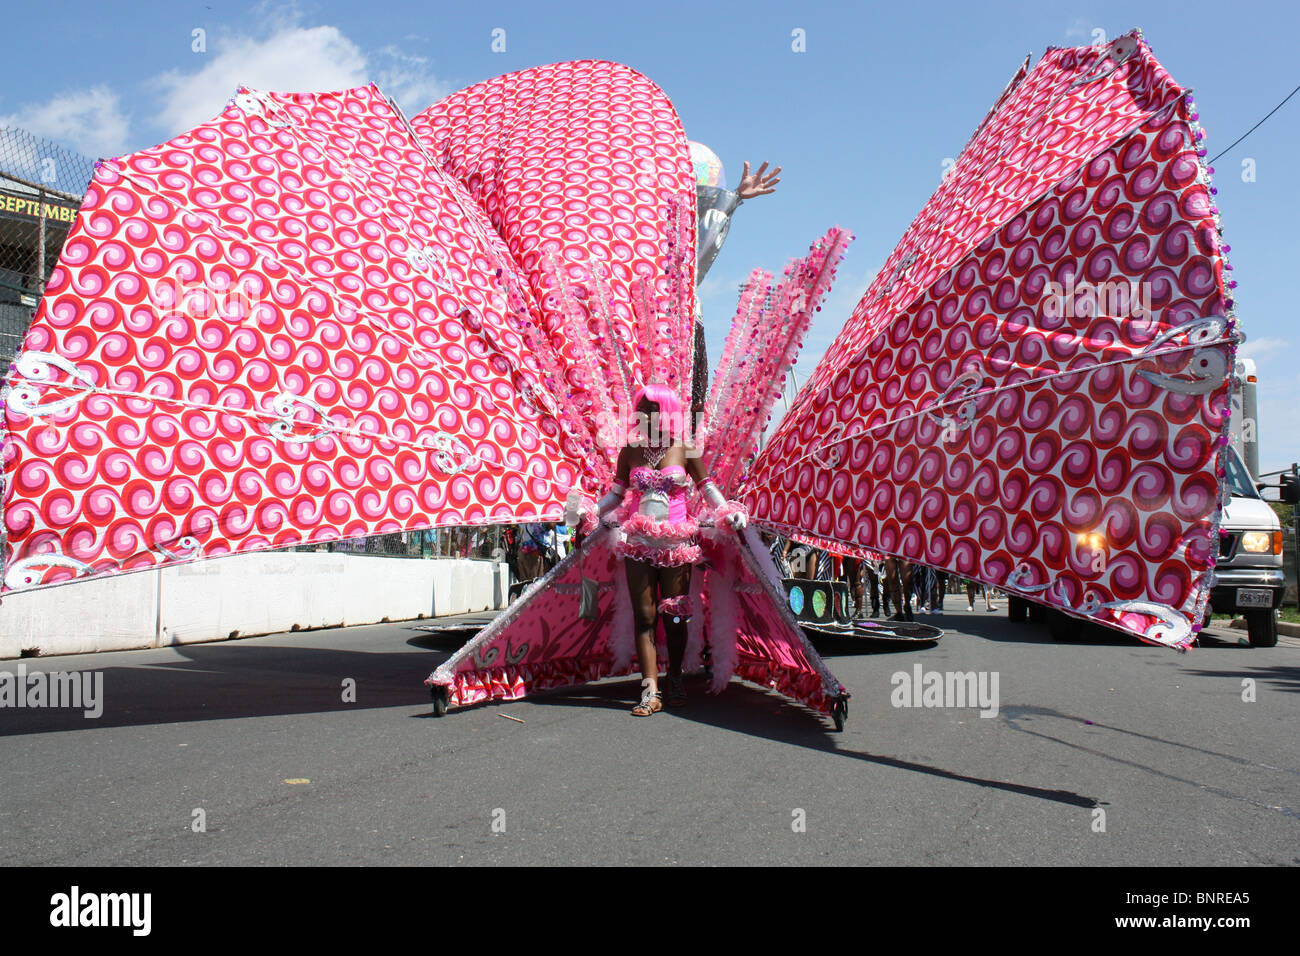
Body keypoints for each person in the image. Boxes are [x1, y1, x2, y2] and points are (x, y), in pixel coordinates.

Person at [595, 384, 746, 715]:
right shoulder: (630, 450)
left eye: (654, 409)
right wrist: (590, 512)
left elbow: (709, 492)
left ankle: (674, 677)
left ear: (668, 412)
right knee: (645, 615)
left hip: (677, 544)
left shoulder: (685, 450)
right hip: (638, 543)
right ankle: (650, 691)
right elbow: (616, 496)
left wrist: (729, 513)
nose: (647, 415)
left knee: (675, 616)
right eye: (643, 409)